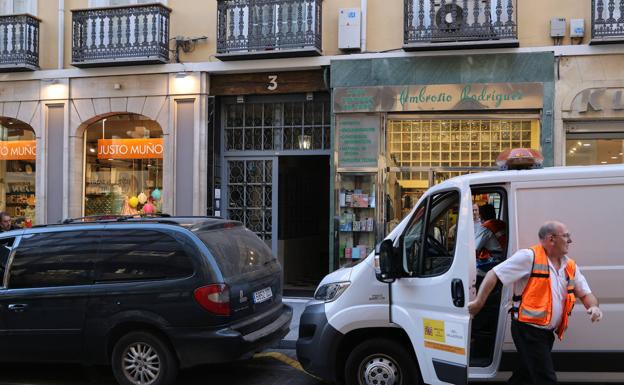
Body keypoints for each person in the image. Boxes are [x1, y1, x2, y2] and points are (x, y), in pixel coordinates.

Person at [468, 221, 603, 385]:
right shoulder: (529, 257)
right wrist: (478, 303)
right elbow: (494, 274)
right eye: (566, 236)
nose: (570, 240)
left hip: (546, 333)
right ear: (551, 239)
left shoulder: (570, 266)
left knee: (526, 374)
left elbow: (586, 293)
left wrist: (594, 306)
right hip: (527, 330)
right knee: (545, 378)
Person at [475, 203, 507, 274]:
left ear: (481, 215)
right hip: (505, 258)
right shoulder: (501, 223)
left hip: (494, 261)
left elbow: (474, 249)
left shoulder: (485, 227)